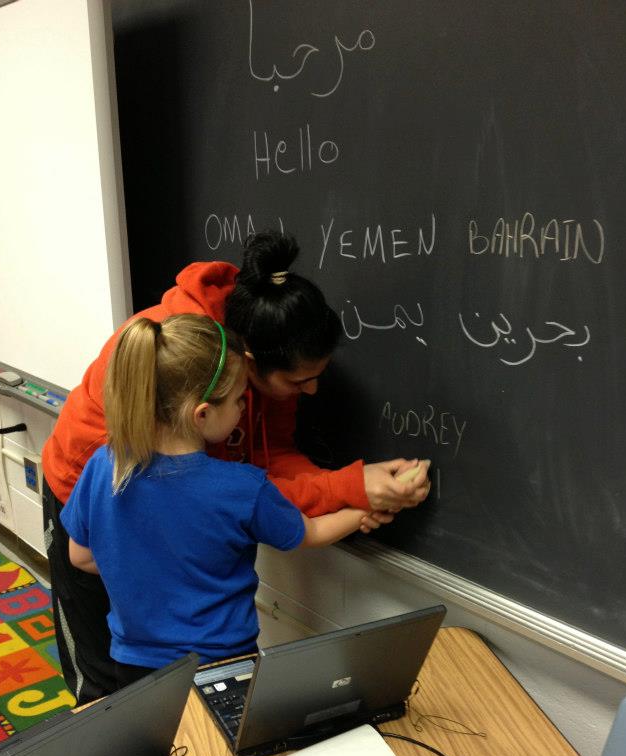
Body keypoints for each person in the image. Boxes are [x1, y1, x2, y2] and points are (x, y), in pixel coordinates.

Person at [42, 231, 430, 702]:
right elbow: (246, 498)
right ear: (245, 370)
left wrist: (347, 489)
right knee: (100, 692)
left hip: (141, 648)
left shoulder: (225, 388)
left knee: (137, 709)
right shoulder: (176, 375)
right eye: (299, 380)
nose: (312, 392)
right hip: (84, 493)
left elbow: (266, 464)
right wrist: (352, 494)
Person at [60, 314, 373, 686]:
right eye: (239, 399)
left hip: (132, 666)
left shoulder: (104, 466)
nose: (244, 408)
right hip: (223, 666)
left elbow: (79, 556)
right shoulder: (242, 488)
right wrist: (362, 511)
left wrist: (142, 569)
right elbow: (311, 532)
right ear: (202, 414)